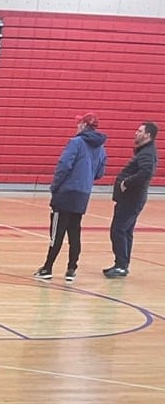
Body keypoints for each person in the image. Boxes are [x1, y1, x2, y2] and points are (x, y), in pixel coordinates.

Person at [33, 112, 106, 283]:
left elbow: (64, 165)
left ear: (83, 125)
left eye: (79, 123)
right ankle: (71, 269)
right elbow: (100, 172)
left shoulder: (76, 142)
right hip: (83, 194)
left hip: (66, 193)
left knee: (56, 233)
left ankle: (47, 268)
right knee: (75, 232)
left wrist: (55, 186)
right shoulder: (101, 148)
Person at [104, 120, 159, 277]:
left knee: (118, 230)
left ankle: (121, 265)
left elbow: (146, 172)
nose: (136, 133)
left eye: (140, 131)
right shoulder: (144, 151)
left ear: (147, 135)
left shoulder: (148, 153)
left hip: (132, 198)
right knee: (125, 230)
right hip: (130, 198)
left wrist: (126, 182)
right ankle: (122, 264)